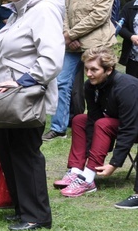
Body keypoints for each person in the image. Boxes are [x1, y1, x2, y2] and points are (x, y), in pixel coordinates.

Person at [0, 0, 64, 231]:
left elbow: (52, 58)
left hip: (26, 96)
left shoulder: (43, 11)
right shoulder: (18, 12)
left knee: (25, 153)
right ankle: (23, 208)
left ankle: (37, 216)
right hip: (7, 97)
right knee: (8, 152)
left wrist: (21, 81)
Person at [43, 0, 117, 141]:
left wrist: (73, 34)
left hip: (97, 43)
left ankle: (102, 126)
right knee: (61, 82)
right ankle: (58, 127)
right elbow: (66, 9)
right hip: (72, 43)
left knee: (99, 85)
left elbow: (100, 15)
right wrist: (68, 34)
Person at [54, 47, 138, 199]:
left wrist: (114, 164)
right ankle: (77, 171)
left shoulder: (126, 87)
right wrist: (90, 151)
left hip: (133, 127)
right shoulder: (90, 86)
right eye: (86, 69)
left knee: (103, 124)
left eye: (94, 70)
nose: (88, 74)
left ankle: (88, 178)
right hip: (115, 123)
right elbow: (93, 119)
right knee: (80, 120)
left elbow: (130, 128)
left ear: (109, 70)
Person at [116, 0, 138, 78]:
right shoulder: (129, 6)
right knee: (133, 87)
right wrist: (131, 36)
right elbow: (120, 27)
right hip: (133, 59)